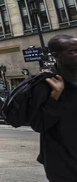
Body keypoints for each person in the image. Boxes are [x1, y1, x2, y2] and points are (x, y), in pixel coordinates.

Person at [29, 34, 77, 181]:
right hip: (62, 162)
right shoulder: (45, 84)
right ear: (57, 56)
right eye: (73, 51)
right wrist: (55, 96)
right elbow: (39, 124)